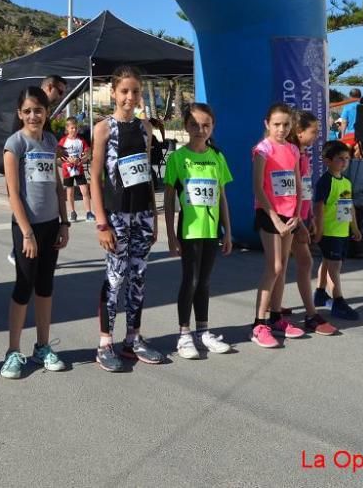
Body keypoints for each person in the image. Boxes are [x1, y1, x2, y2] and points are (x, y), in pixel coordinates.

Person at [90, 66, 163, 371]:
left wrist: (154, 218)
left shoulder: (146, 128)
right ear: (114, 92)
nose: (130, 97)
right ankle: (105, 341)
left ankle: (132, 337)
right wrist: (101, 223)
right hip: (116, 215)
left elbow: (145, 174)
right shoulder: (104, 128)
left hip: (143, 213)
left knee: (138, 277)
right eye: (124, 91)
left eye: (135, 91)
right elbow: (94, 176)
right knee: (116, 277)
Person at [0, 87, 70, 379]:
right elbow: (13, 193)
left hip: (51, 225)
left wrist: (64, 222)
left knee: (45, 286)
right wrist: (26, 233)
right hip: (26, 228)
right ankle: (12, 352)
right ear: (20, 114)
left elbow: (57, 186)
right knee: (24, 287)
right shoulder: (14, 145)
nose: (33, 115)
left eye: (38, 110)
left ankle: (42, 346)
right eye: (27, 111)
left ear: (46, 112)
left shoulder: (51, 141)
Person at [163, 103, 234, 359]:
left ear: (212, 126)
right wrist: (171, 236)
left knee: (204, 281)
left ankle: (203, 331)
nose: (200, 130)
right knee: (190, 280)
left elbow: (222, 196)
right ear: (186, 126)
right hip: (189, 230)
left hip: (212, 229)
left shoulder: (217, 156)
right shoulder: (178, 158)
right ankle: (184, 334)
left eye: (206, 125)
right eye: (194, 125)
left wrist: (228, 231)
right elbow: (169, 201)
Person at [250, 103, 304, 349]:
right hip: (269, 214)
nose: (281, 129)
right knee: (274, 266)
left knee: (282, 270)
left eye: (286, 125)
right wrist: (274, 219)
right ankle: (258, 323)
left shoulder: (293, 149)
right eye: (276, 125)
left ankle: (276, 318)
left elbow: (297, 183)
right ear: (267, 124)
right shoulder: (263, 149)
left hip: (290, 215)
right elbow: (258, 188)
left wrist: (297, 214)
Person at [284, 111, 338, 336]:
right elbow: (292, 192)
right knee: (289, 264)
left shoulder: (303, 154)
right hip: (291, 218)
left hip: (302, 217)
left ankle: (274, 306)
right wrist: (300, 223)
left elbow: (305, 190)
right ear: (299, 132)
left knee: (290, 264)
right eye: (313, 131)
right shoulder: (293, 154)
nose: (317, 135)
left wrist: (311, 217)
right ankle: (309, 313)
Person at [312, 141, 363, 322]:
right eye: (340, 159)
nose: (344, 162)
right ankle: (338, 302)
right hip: (329, 232)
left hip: (342, 231)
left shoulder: (347, 182)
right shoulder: (325, 182)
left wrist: (354, 227)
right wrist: (318, 230)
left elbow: (349, 206)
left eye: (347, 158)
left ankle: (319, 292)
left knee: (328, 262)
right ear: (327, 160)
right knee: (335, 267)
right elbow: (318, 207)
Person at [58, 117, 94, 222]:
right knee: (70, 192)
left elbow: (87, 152)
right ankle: (73, 213)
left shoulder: (80, 140)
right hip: (67, 170)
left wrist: (82, 159)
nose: (74, 130)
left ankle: (88, 212)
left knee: (85, 191)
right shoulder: (63, 141)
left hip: (79, 169)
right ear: (67, 129)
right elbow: (59, 154)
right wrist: (68, 159)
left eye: (76, 128)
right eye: (72, 128)